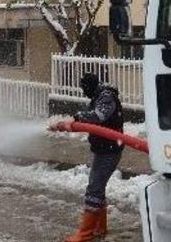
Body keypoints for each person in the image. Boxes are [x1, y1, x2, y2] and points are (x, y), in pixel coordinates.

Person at [49, 73, 124, 242]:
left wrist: (77, 117)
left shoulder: (106, 97)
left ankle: (86, 233)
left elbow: (98, 117)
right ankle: (99, 228)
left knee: (94, 189)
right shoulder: (98, 95)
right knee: (97, 188)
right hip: (104, 149)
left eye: (85, 88)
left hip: (109, 151)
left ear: (90, 86)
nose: (84, 92)